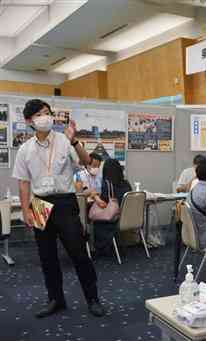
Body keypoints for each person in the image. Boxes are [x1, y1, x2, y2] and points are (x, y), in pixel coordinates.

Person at [12, 99, 105, 318]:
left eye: (47, 112)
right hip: (39, 204)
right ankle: (56, 299)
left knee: (79, 254)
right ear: (29, 121)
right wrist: (25, 210)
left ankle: (93, 299)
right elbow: (23, 183)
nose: (45, 117)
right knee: (47, 257)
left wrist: (74, 142)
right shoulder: (25, 150)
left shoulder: (64, 141)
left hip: (64, 202)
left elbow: (87, 162)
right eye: (39, 114)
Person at [92, 159, 132, 255]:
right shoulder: (126, 183)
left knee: (96, 220)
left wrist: (95, 196)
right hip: (127, 218)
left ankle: (98, 248)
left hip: (115, 218)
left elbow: (104, 203)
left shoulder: (107, 184)